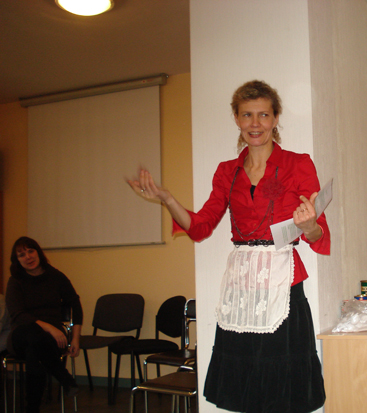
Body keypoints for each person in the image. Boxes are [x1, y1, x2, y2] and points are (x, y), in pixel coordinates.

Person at [128, 80, 330, 412]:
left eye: (263, 115)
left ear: (275, 118)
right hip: (242, 284)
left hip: (284, 282)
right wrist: (167, 198)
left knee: (283, 384)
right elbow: (201, 225)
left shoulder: (298, 164)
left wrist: (309, 226)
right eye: (247, 115)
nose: (255, 123)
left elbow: (319, 233)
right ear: (236, 118)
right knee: (246, 383)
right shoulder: (227, 172)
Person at [5, 236, 82, 413]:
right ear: (17, 260)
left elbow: (75, 305)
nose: (28, 257)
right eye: (22, 255)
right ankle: (64, 377)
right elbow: (17, 314)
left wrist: (75, 339)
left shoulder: (56, 276)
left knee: (35, 351)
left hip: (51, 338)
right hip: (21, 335)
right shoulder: (15, 281)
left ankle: (32, 409)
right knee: (34, 335)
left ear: (38, 252)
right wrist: (49, 328)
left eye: (30, 251)